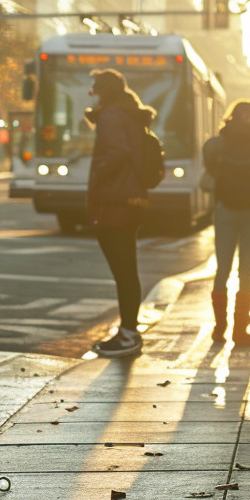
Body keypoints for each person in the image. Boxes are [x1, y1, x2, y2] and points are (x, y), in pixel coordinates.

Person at [85, 68, 158, 358]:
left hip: (114, 199)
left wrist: (99, 177)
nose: (95, 96)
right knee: (126, 268)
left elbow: (117, 152)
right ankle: (129, 330)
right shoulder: (130, 115)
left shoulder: (113, 116)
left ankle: (129, 333)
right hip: (130, 198)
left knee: (123, 269)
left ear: (106, 91)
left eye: (97, 90)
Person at [203, 100, 250, 346]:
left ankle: (218, 329)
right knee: (246, 271)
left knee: (222, 269)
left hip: (226, 209)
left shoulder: (217, 143)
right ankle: (239, 332)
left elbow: (210, 169)